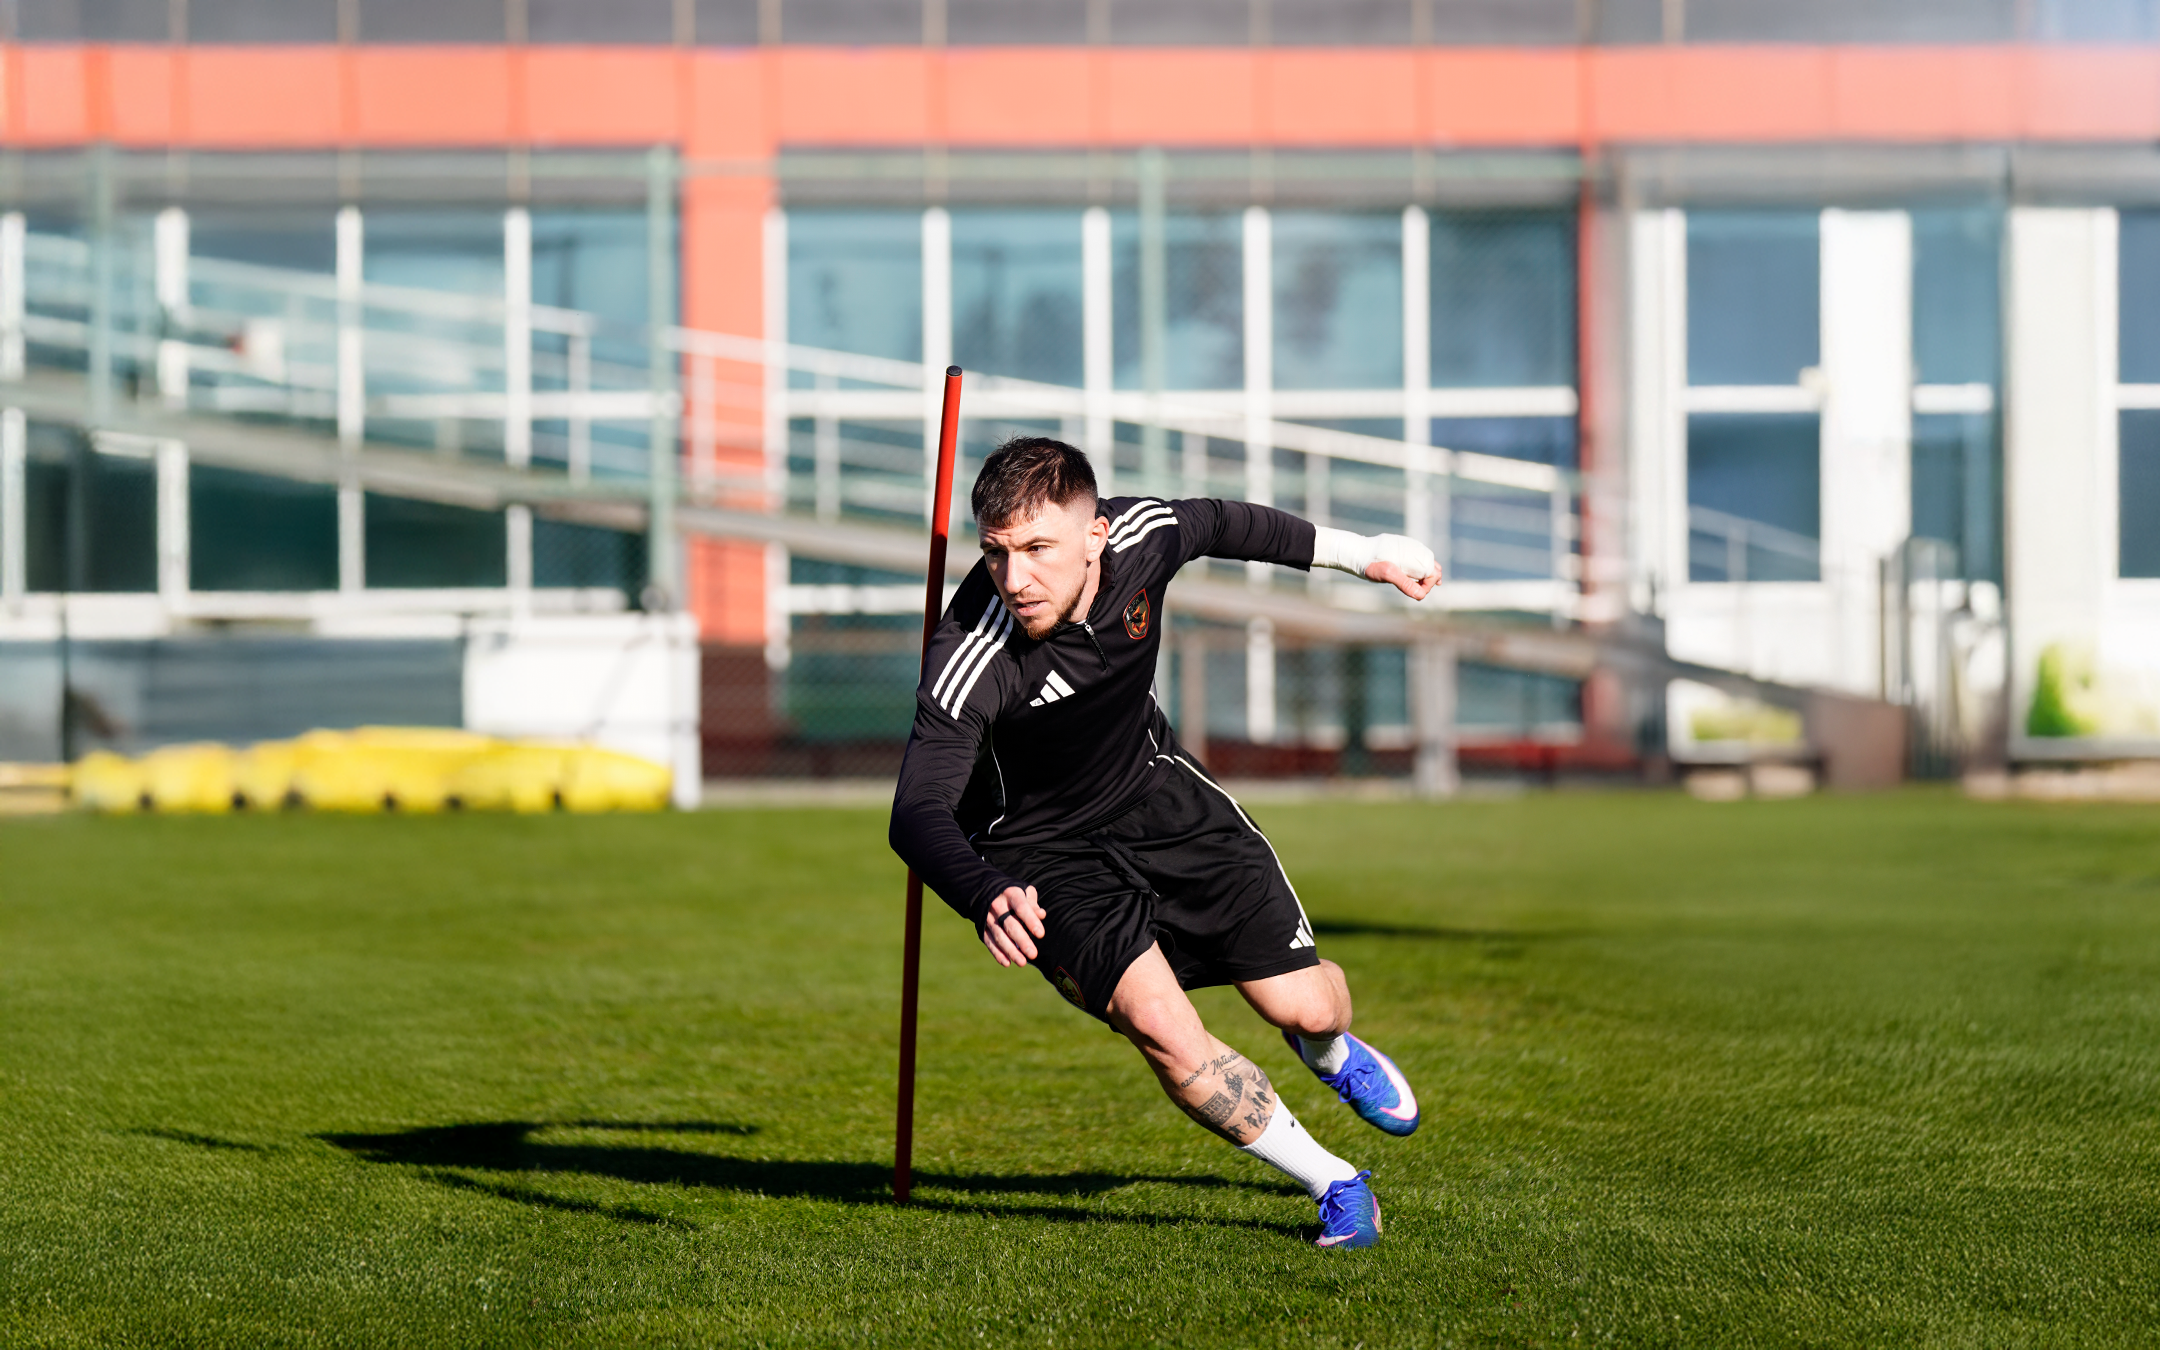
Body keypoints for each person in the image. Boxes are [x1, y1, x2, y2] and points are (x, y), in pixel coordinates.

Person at [889, 436, 1440, 1248]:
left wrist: (1364, 557)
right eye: (997, 554)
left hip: (1159, 798)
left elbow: (1223, 522)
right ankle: (1336, 1182)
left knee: (1305, 1002)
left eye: (1039, 549)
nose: (1015, 579)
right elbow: (916, 810)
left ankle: (1328, 1051)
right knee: (1163, 1029)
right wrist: (983, 892)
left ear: (1095, 535)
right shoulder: (972, 652)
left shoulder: (1145, 533)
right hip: (1041, 858)